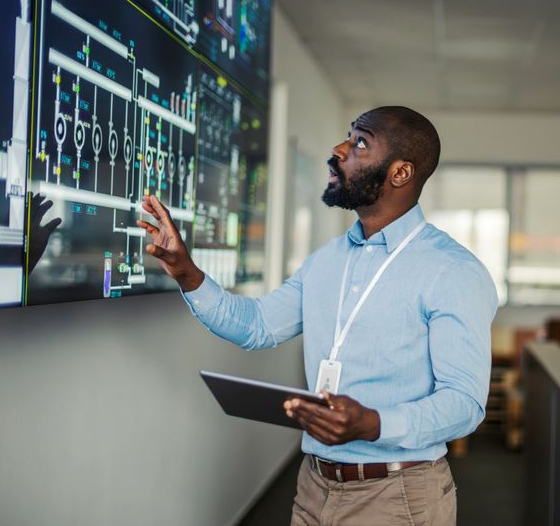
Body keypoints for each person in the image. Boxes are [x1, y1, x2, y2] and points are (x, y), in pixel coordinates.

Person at [137, 106, 498, 525]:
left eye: (360, 142)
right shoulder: (327, 260)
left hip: (399, 496)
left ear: (400, 173)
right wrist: (187, 272)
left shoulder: (454, 270)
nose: (340, 149)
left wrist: (373, 423)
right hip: (314, 486)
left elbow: (464, 404)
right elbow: (257, 325)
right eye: (348, 136)